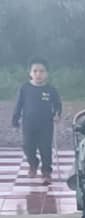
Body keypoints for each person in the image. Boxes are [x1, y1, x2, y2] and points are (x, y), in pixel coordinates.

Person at [12, 57, 62, 185]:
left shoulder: (51, 89)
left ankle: (46, 172)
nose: (38, 74)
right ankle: (33, 164)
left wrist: (57, 114)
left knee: (45, 148)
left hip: (46, 125)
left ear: (47, 73)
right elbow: (18, 104)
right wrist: (15, 120)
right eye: (35, 71)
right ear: (30, 73)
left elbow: (57, 104)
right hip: (28, 124)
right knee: (28, 146)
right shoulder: (25, 88)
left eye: (41, 71)